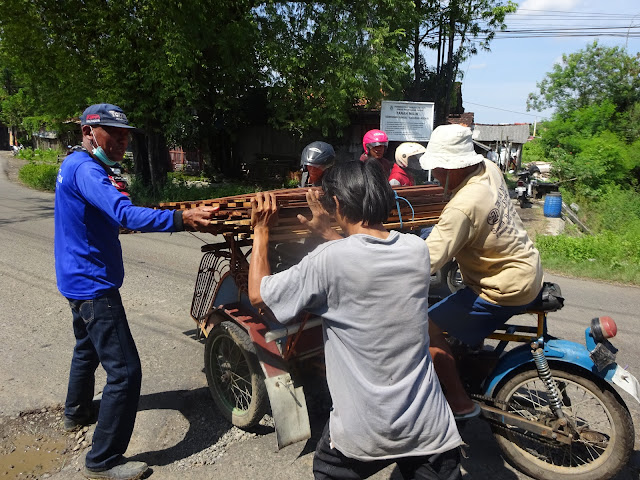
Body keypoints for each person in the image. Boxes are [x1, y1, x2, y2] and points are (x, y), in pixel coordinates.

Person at [248, 160, 462, 480]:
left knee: (328, 469)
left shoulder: (328, 260)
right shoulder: (416, 250)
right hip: (429, 426)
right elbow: (365, 263)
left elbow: (260, 297)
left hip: (365, 429)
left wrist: (261, 230)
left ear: (335, 203)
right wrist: (332, 234)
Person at [55, 103, 217, 480]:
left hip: (74, 278)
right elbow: (125, 214)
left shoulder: (73, 165)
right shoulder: (88, 171)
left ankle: (75, 412)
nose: (122, 142)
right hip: (94, 285)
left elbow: (107, 216)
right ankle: (103, 460)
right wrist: (181, 218)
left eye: (125, 135)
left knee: (87, 347)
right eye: (114, 134)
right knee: (125, 372)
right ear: (88, 132)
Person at [419, 124, 544, 419]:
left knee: (424, 326)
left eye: (437, 169)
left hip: (503, 287)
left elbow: (425, 262)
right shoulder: (487, 167)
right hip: (528, 268)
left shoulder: (462, 207)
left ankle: (460, 402)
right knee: (454, 302)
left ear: (452, 168)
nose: (434, 176)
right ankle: (467, 353)